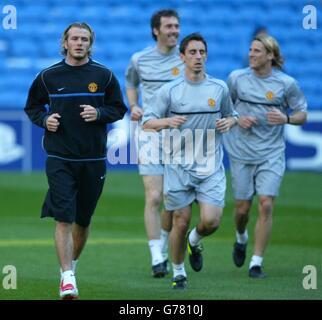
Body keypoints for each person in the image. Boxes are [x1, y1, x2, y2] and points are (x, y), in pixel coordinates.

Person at [24, 22, 127, 299]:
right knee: (64, 217)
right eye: (75, 38)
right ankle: (68, 279)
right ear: (65, 42)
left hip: (93, 159)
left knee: (83, 220)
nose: (79, 43)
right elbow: (32, 107)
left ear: (90, 43)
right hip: (59, 158)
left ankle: (70, 268)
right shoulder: (48, 77)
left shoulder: (104, 76)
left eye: (84, 39)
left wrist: (99, 114)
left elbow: (118, 108)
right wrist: (45, 119)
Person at [143, 33, 237, 289]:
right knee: (180, 221)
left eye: (201, 52)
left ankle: (194, 241)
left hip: (210, 167)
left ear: (206, 55)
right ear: (182, 57)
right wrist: (167, 122)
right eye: (192, 52)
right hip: (178, 167)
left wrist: (230, 121)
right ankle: (178, 272)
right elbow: (146, 121)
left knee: (211, 221)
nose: (198, 57)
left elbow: (232, 115)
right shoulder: (170, 90)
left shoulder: (219, 88)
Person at [223, 33, 307, 278]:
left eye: (257, 51)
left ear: (271, 55)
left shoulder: (286, 84)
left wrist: (287, 118)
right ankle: (241, 237)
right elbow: (224, 109)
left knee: (266, 203)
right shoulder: (236, 78)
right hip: (240, 151)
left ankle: (256, 262)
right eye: (250, 50)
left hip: (271, 152)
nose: (251, 54)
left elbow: (302, 113)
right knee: (242, 209)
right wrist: (238, 118)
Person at [125, 9, 184, 277]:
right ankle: (157, 256)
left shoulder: (187, 58)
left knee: (175, 199)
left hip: (181, 136)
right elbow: (130, 82)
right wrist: (134, 105)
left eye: (176, 26)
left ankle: (164, 239)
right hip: (149, 132)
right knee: (155, 196)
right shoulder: (140, 59)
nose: (174, 30)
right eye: (169, 26)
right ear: (155, 30)